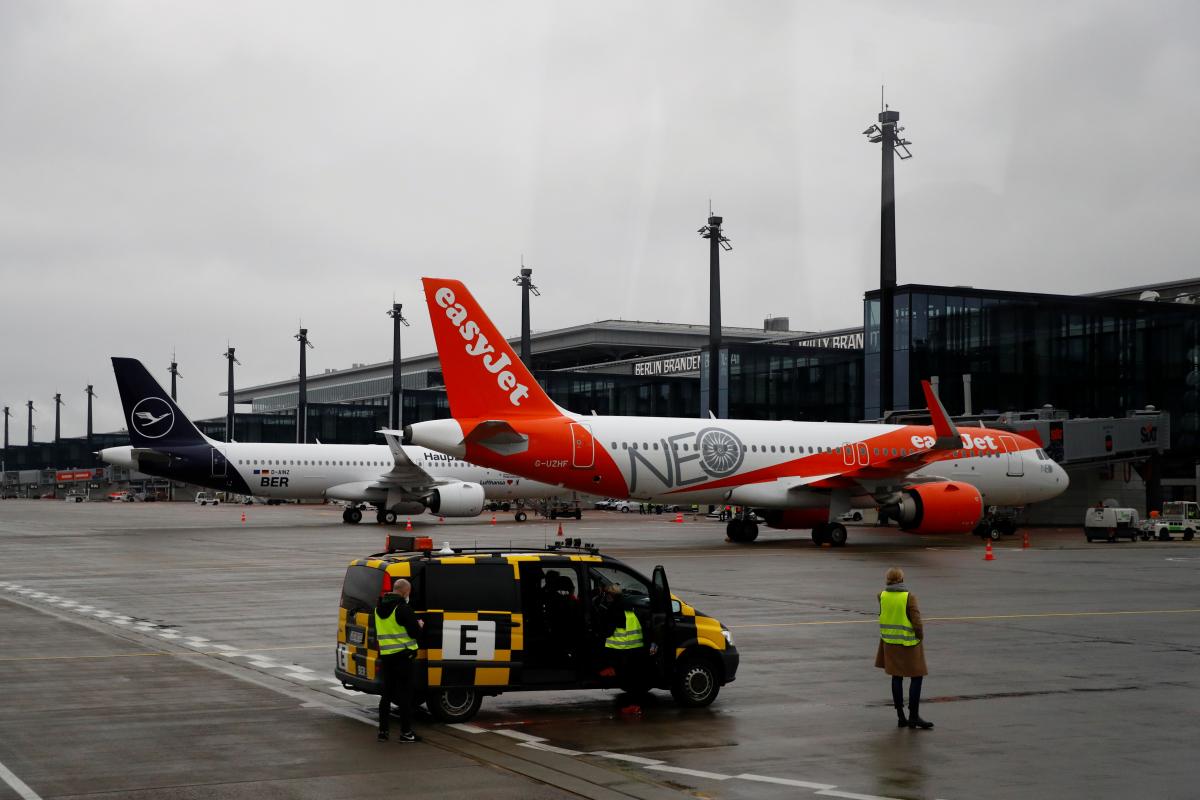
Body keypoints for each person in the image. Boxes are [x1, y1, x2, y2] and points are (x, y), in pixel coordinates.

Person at [875, 567, 933, 729]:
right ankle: (914, 715)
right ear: (901, 579)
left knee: (896, 677)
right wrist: (920, 636)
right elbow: (917, 621)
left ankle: (900, 716)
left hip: (889, 642)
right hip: (909, 643)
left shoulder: (881, 596)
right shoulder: (909, 597)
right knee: (917, 676)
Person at [375, 577, 424, 742]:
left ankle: (383, 732)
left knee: (386, 694)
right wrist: (420, 625)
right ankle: (406, 732)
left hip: (386, 657)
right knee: (405, 696)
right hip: (403, 657)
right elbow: (415, 633)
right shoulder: (403, 608)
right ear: (405, 592)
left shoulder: (378, 608)